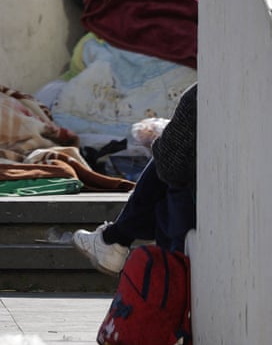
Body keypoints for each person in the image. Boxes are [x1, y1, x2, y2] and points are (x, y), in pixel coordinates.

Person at [74, 83, 197, 273]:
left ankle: (115, 239)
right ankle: (114, 239)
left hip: (190, 220)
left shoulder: (202, 94)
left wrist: (160, 145)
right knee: (168, 166)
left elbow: (170, 167)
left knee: (166, 168)